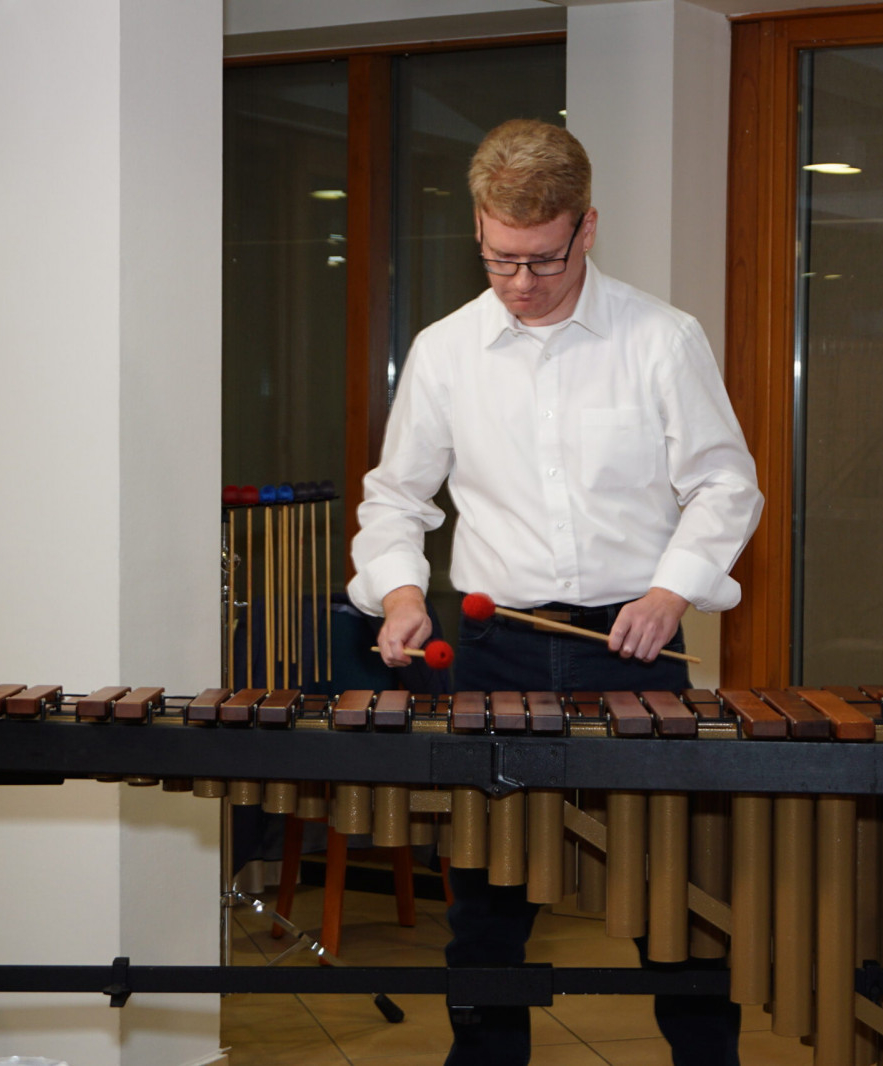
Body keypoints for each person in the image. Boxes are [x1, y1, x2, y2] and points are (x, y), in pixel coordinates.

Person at [347, 118, 762, 1066]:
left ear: (587, 227)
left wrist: (671, 592)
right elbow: (396, 498)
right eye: (501, 260)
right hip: (494, 651)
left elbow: (725, 485)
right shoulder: (446, 351)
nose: (522, 283)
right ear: (479, 230)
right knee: (487, 907)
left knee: (676, 902)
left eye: (543, 260)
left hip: (634, 651)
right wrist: (402, 595)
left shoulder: (661, 339)